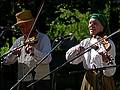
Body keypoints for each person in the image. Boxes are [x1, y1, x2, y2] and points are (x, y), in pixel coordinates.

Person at [3, 9, 52, 90]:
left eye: (26, 24)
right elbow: (6, 61)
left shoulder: (43, 38)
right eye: (21, 26)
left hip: (40, 81)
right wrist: (13, 54)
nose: (23, 28)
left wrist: (34, 51)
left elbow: (48, 59)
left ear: (33, 24)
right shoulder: (19, 41)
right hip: (22, 81)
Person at [65, 13, 116, 90]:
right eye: (90, 23)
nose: (91, 25)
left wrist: (105, 60)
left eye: (95, 23)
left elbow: (110, 72)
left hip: (104, 81)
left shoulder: (108, 44)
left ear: (102, 27)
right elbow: (70, 59)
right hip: (88, 79)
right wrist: (76, 49)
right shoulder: (85, 42)